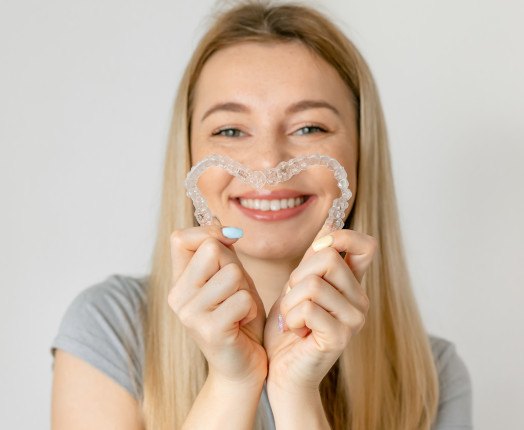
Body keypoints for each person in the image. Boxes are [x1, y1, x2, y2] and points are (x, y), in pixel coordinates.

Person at [50, 2, 473, 429]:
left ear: (362, 152)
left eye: (309, 128)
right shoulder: (110, 329)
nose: (268, 163)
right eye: (230, 130)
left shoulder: (430, 377)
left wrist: (295, 391)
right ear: (189, 151)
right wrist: (232, 383)